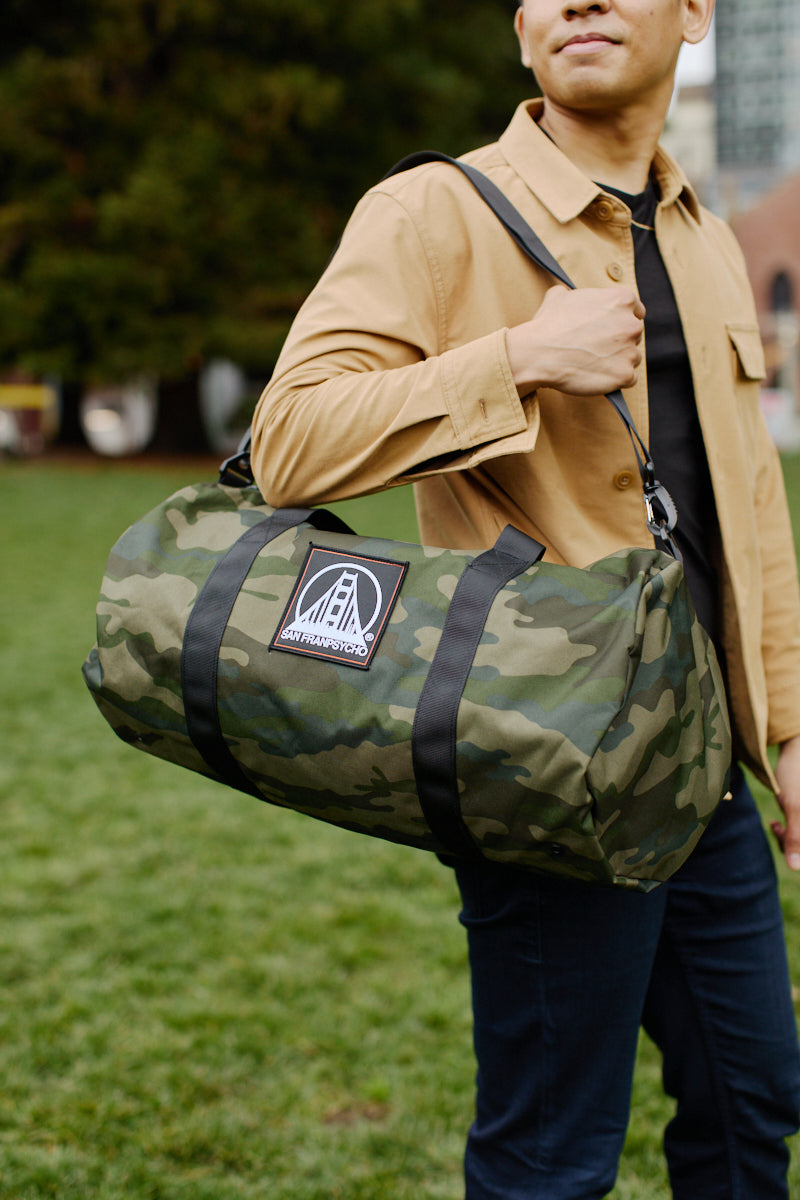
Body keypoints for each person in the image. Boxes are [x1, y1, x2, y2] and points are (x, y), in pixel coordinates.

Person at [250, 0, 800, 1194]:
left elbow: (747, 501)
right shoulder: (430, 213)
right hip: (542, 767)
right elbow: (287, 443)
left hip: (697, 767)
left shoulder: (704, 237)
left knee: (750, 1106)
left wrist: (786, 729)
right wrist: (516, 361)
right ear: (519, 32)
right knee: (550, 1156)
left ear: (694, 15)